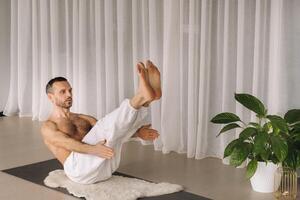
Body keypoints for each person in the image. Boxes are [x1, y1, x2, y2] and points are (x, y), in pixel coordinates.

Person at [41, 60, 162, 184]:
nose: (69, 94)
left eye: (70, 90)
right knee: (104, 126)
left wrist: (137, 133)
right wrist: (93, 150)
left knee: (110, 131)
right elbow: (68, 143)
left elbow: (113, 131)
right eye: (63, 91)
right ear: (51, 97)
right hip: (79, 170)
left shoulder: (83, 118)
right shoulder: (49, 126)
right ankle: (142, 98)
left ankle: (146, 101)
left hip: (105, 168)